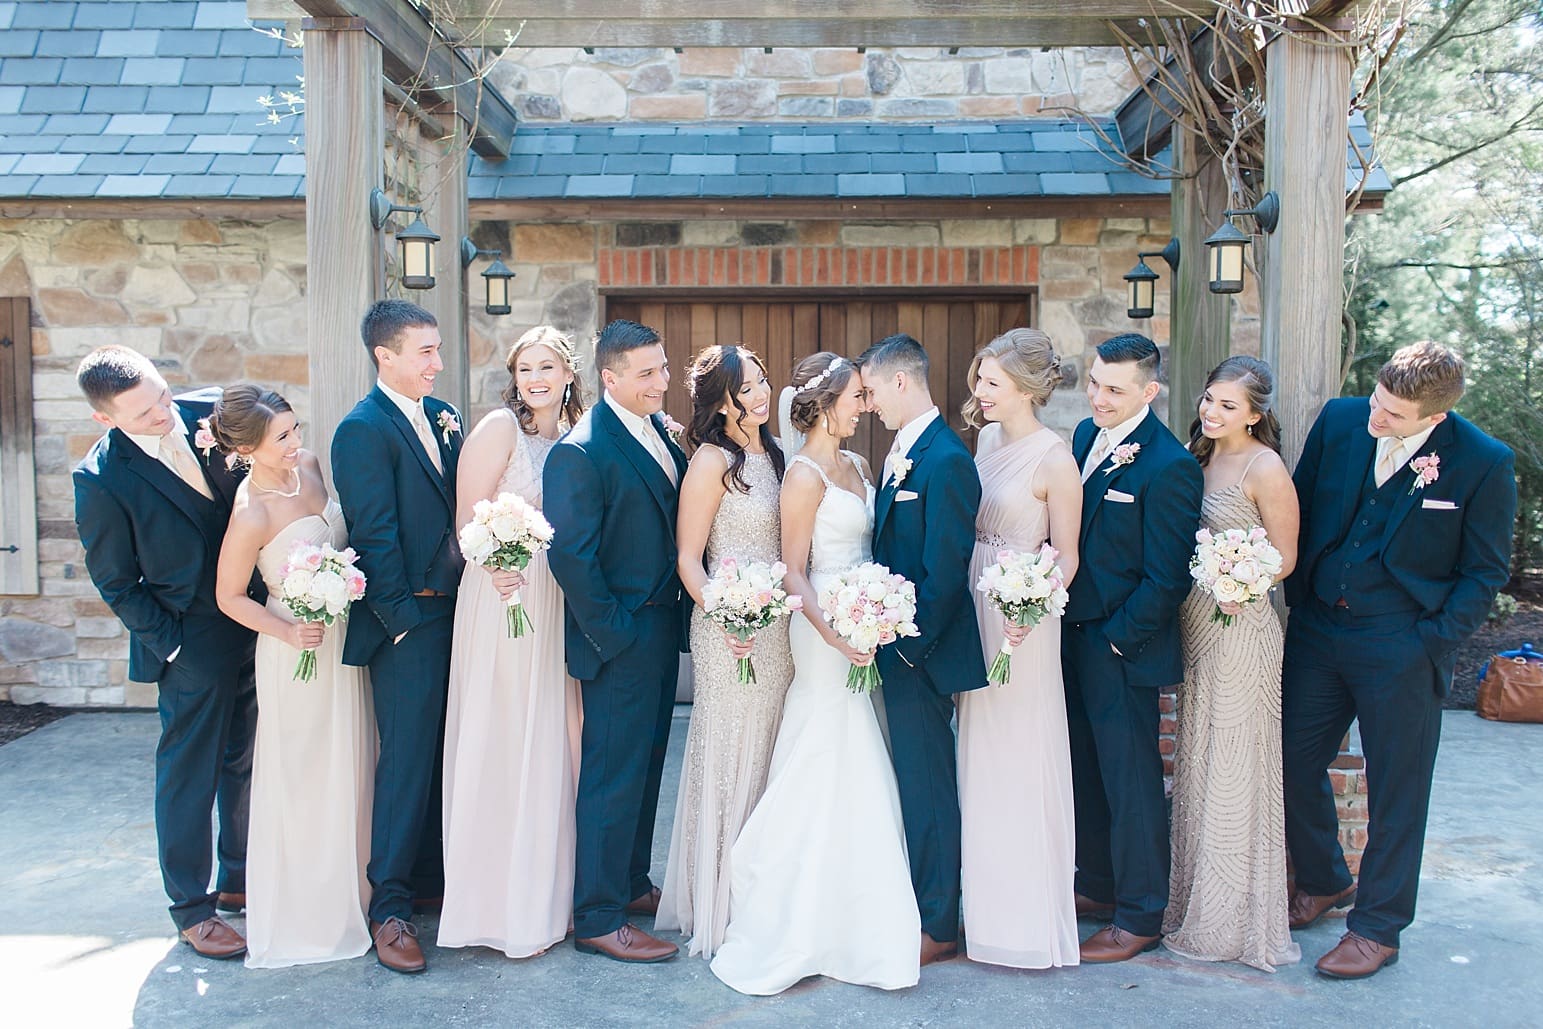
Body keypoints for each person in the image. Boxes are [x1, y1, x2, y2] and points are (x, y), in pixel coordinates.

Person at [1283, 341, 1515, 979]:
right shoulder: (1340, 421)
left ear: (1435, 418)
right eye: (1378, 402)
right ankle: (1328, 877)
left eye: (1393, 415)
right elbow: (1297, 507)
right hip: (1320, 630)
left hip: (1402, 642)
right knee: (1288, 759)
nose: (1376, 419)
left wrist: (1430, 641)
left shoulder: (1484, 463)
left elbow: (1484, 570)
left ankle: (1378, 929)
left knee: (1398, 792)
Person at [710, 351, 920, 995]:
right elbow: (794, 569)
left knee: (857, 757)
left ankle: (855, 917)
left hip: (864, 624)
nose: (865, 404)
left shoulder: (858, 465)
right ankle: (797, 918)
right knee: (828, 748)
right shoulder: (802, 476)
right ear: (826, 403)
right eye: (856, 395)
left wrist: (876, 620)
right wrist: (839, 633)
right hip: (822, 627)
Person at [73, 347, 259, 960]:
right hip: (191, 640)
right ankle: (191, 908)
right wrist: (175, 647)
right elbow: (117, 582)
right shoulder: (100, 480)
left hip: (259, 620)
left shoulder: (210, 411)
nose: (164, 413)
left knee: (248, 761)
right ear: (107, 419)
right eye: (144, 411)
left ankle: (238, 879)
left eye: (161, 395)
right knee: (189, 775)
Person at [210, 385, 374, 969]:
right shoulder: (251, 511)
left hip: (342, 643)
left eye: (295, 428)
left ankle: (353, 894)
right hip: (295, 651)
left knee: (350, 766)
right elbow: (229, 597)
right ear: (247, 447)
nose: (296, 442)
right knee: (305, 776)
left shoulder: (308, 465)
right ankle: (308, 911)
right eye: (281, 436)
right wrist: (285, 632)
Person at [438, 326, 586, 959]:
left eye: (547, 366)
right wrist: (492, 561)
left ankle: (545, 896)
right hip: (500, 595)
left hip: (555, 601)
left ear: (569, 374)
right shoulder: (500, 428)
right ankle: (490, 905)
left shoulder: (577, 438)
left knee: (553, 734)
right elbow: (465, 518)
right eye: (525, 368)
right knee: (500, 732)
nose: (535, 379)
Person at [544, 319, 688, 964]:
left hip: (661, 629)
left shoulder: (658, 431)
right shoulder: (581, 450)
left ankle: (630, 884)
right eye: (646, 373)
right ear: (610, 378)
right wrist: (618, 636)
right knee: (611, 773)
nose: (661, 381)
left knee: (649, 761)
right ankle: (598, 916)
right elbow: (572, 557)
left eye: (662, 368)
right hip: (620, 639)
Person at [332, 299, 465, 974]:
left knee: (446, 752)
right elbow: (373, 536)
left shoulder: (442, 420)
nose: (437, 364)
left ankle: (429, 879)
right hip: (405, 622)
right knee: (406, 759)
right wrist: (403, 624)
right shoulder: (362, 429)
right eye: (424, 351)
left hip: (456, 615)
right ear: (385, 355)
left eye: (437, 349)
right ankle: (388, 906)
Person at [1062, 333, 1204, 963]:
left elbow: (1168, 576)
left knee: (1133, 783)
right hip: (1072, 638)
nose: (1098, 397)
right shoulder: (1084, 439)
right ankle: (1098, 886)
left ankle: (1142, 914)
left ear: (1150, 392)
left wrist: (1117, 643)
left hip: (1122, 648)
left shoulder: (1169, 466)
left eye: (1114, 390)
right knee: (1086, 773)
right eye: (1094, 383)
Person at [1162, 356, 1301, 972]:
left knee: (1235, 762)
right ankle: (1198, 903)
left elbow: (1286, 558)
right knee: (1201, 759)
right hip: (1198, 623)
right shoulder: (1197, 458)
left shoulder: (1264, 467)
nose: (1212, 412)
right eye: (1209, 399)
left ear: (1256, 414)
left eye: (1227, 405)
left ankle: (1235, 921)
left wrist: (1239, 583)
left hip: (1243, 627)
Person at [657, 344, 792, 960]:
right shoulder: (712, 461)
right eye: (747, 387)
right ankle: (719, 903)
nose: (761, 394)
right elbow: (689, 557)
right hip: (727, 630)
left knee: (769, 756)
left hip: (778, 633)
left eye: (763, 381)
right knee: (729, 753)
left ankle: (765, 899)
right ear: (720, 401)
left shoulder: (777, 456)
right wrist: (725, 612)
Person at [858, 334, 988, 965]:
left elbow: (945, 570)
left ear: (901, 383)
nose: (869, 401)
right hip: (893, 650)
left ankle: (939, 924)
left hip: (923, 658)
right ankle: (917, 904)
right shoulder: (900, 453)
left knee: (930, 789)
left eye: (874, 390)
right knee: (910, 785)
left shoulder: (946, 460)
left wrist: (906, 649)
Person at [956, 329, 1083, 970]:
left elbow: (1067, 558)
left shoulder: (1055, 461)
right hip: (976, 601)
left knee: (1017, 753)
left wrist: (1029, 607)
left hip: (1021, 619)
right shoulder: (984, 441)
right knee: (978, 753)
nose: (979, 391)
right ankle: (981, 913)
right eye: (979, 379)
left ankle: (1024, 923)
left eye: (992, 382)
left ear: (1029, 390)